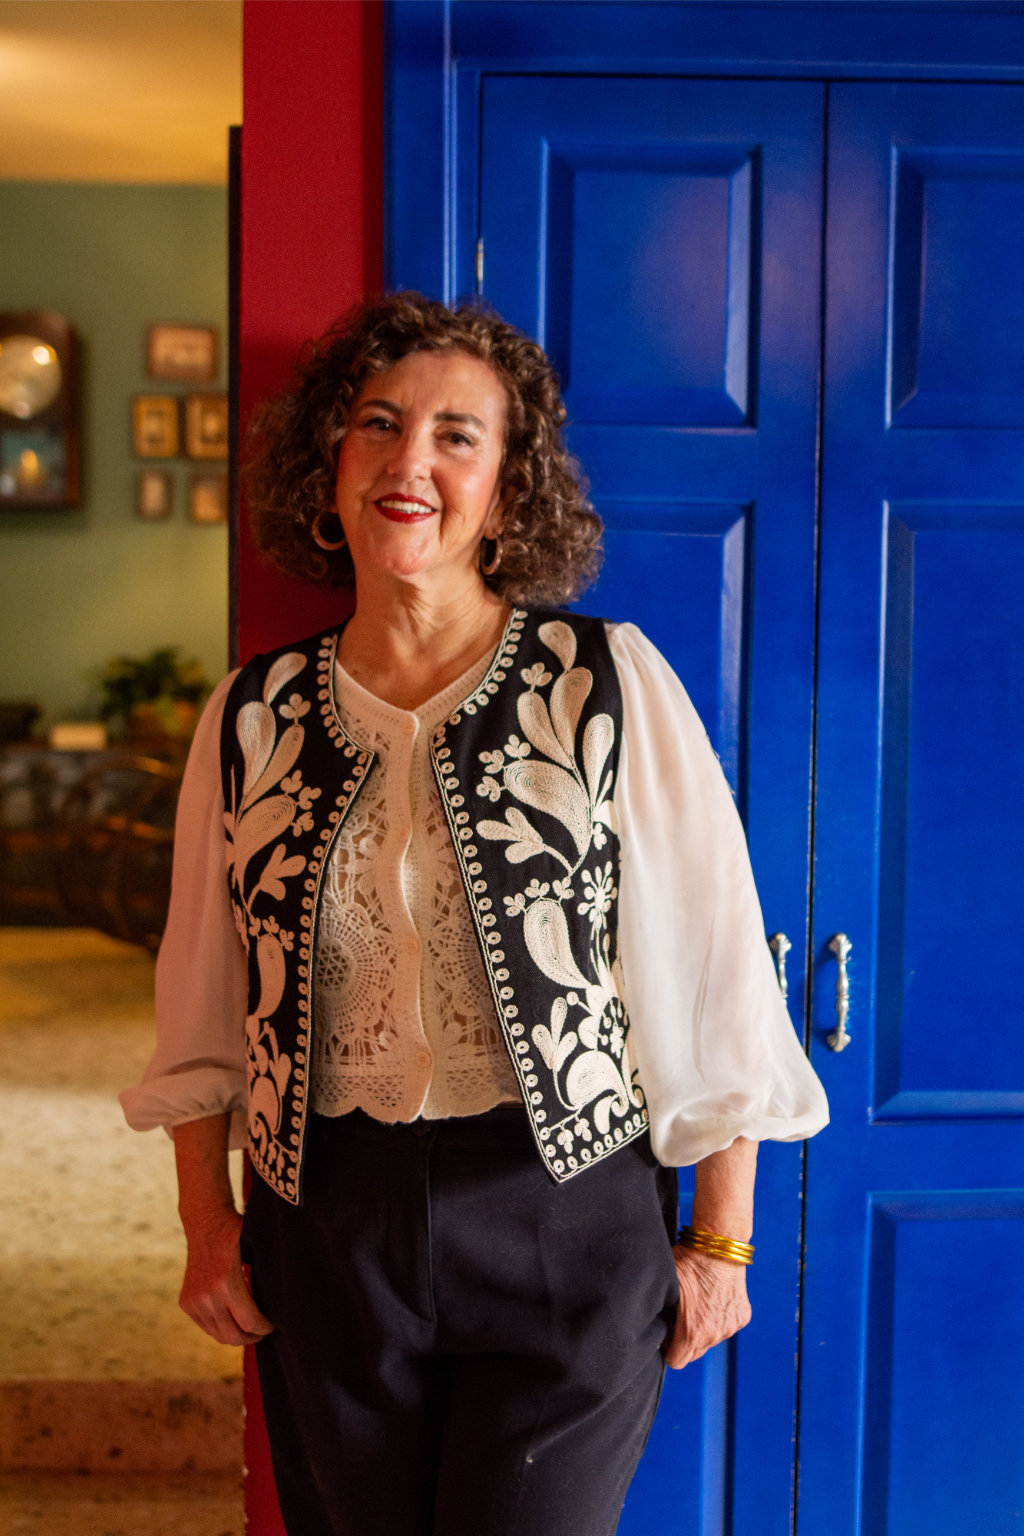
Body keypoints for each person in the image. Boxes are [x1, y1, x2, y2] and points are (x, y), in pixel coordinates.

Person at [121, 291, 828, 1536]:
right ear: (330, 465)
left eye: (457, 436)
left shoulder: (604, 682)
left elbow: (716, 967)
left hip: (565, 1218)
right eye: (378, 425)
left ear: (506, 492)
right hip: (326, 1224)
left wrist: (722, 1243)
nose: (410, 462)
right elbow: (203, 994)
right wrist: (207, 1223)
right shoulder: (250, 714)